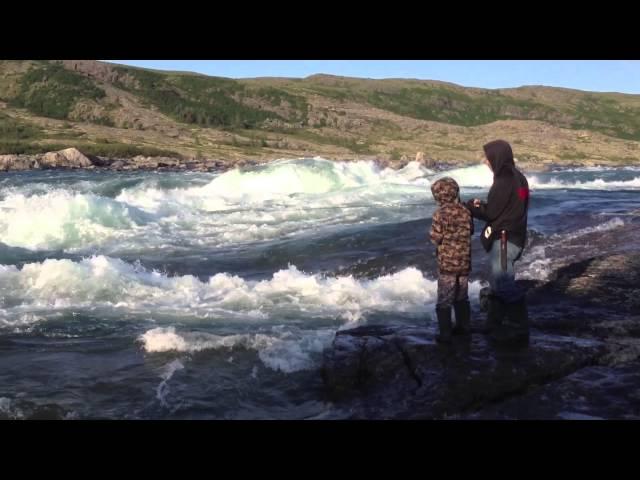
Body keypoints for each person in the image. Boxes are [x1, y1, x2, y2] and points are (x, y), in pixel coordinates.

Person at [466, 140, 530, 344]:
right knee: (499, 281)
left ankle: (519, 326)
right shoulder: (519, 178)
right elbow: (512, 206)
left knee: (503, 283)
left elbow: (493, 212)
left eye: (488, 157)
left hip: (504, 239)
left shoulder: (504, 179)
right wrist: (485, 205)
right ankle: (494, 323)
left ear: (497, 156)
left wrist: (472, 207)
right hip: (516, 235)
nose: (485, 161)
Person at [430, 177, 474, 344]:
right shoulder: (465, 211)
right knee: (462, 296)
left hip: (447, 265)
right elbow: (470, 232)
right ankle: (464, 328)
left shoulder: (439, 214)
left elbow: (435, 238)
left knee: (444, 300)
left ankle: (445, 334)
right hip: (464, 263)